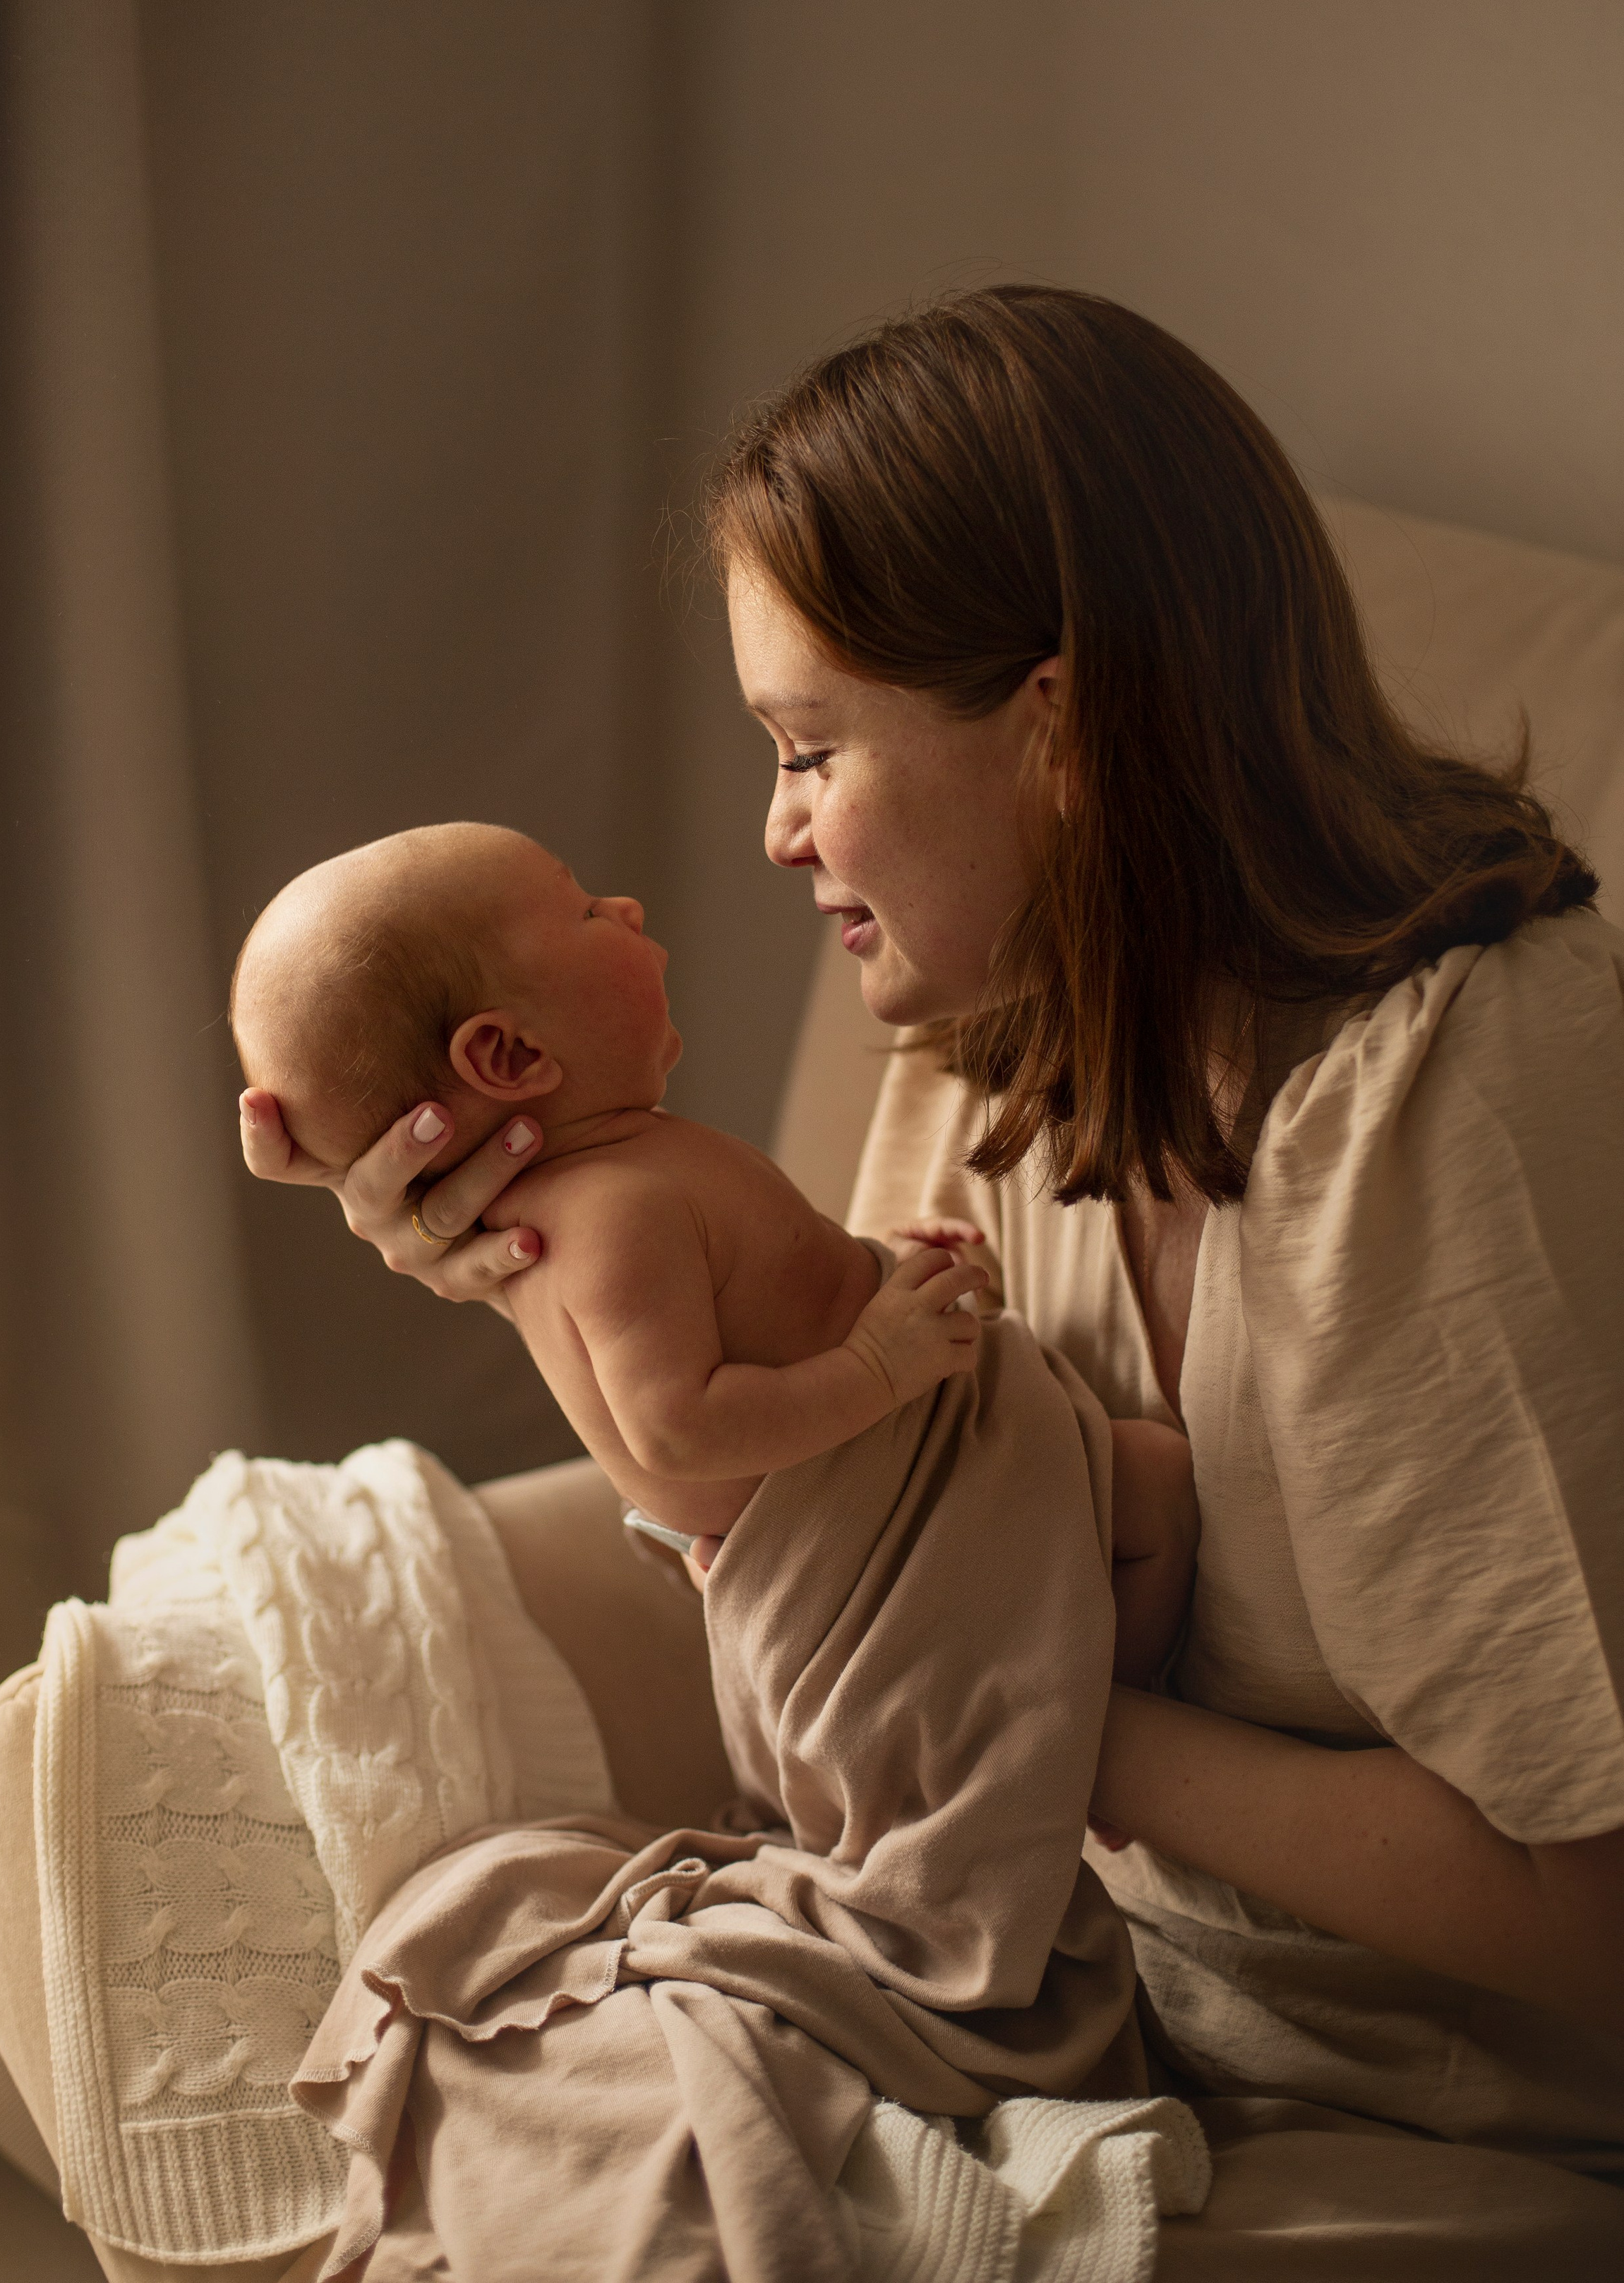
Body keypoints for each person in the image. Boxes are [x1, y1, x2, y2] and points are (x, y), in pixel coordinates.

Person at [243, 285, 1624, 2272]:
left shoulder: (1461, 1093)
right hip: (1067, 1976)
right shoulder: (1003, 1013)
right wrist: (544, 1272)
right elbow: (821, 1509)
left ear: (1060, 729)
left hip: (1431, 2101)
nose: (775, 833)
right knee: (461, 2033)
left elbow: (1587, 1904)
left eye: (811, 747)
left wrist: (1028, 1708)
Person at [229, 817, 1196, 1679]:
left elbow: (761, 1306)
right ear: (512, 1056)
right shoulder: (612, 1215)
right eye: (585, 912)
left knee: (1139, 1490)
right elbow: (678, 1433)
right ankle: (1091, 1716)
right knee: (1152, 1494)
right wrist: (876, 1363)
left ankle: (1082, 1707)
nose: (626, 907)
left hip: (883, 1479)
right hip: (861, 1540)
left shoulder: (624, 1174)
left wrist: (886, 1270)